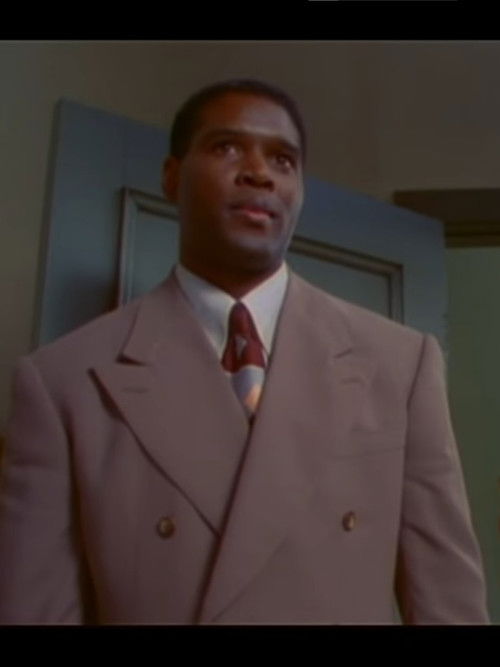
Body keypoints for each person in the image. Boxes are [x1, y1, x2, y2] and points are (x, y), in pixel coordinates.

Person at [0, 79, 489, 624]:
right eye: (227, 147)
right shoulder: (63, 380)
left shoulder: (400, 363)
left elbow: (448, 600)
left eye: (283, 160)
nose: (260, 173)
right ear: (171, 177)